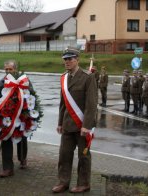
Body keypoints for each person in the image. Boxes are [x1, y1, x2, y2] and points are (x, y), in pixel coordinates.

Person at [52, 47, 97, 193]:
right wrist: (60, 122)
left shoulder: (87, 77)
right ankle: (63, 182)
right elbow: (62, 104)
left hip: (82, 125)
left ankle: (84, 183)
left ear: (77, 59)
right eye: (65, 59)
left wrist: (87, 125)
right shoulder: (64, 78)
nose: (67, 61)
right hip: (67, 124)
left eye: (70, 58)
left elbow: (91, 104)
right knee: (64, 155)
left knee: (83, 156)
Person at [0, 60, 34, 177]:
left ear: (15, 69)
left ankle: (22, 158)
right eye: (6, 69)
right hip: (6, 117)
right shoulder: (1, 83)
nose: (7, 71)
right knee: (6, 139)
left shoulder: (24, 80)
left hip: (20, 116)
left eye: (10, 69)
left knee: (21, 139)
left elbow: (31, 93)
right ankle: (7, 168)